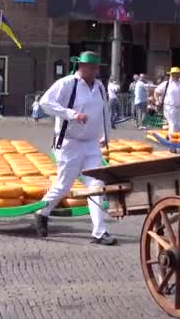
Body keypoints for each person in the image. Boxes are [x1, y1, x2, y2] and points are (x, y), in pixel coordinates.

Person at [33, 51, 116, 246]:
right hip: (69, 143)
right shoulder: (67, 83)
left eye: (97, 67)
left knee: (96, 186)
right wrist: (70, 114)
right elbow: (46, 103)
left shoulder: (99, 87)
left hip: (91, 144)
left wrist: (106, 137)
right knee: (64, 185)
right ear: (82, 66)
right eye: (92, 67)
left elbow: (105, 111)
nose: (95, 71)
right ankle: (42, 212)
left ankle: (99, 232)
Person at [155, 67, 180, 138]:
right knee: (172, 124)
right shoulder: (166, 84)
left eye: (178, 74)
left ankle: (176, 139)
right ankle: (172, 143)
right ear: (172, 75)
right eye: (175, 74)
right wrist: (157, 100)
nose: (177, 75)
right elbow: (156, 92)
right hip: (169, 107)